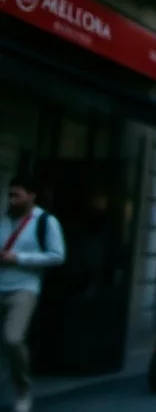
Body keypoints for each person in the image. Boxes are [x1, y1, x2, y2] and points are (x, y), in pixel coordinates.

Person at [0, 176, 66, 412]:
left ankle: (23, 389)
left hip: (24, 287)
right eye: (10, 195)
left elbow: (57, 256)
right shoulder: (3, 218)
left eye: (17, 195)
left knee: (13, 338)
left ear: (31, 195)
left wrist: (20, 258)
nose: (12, 199)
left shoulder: (46, 222)